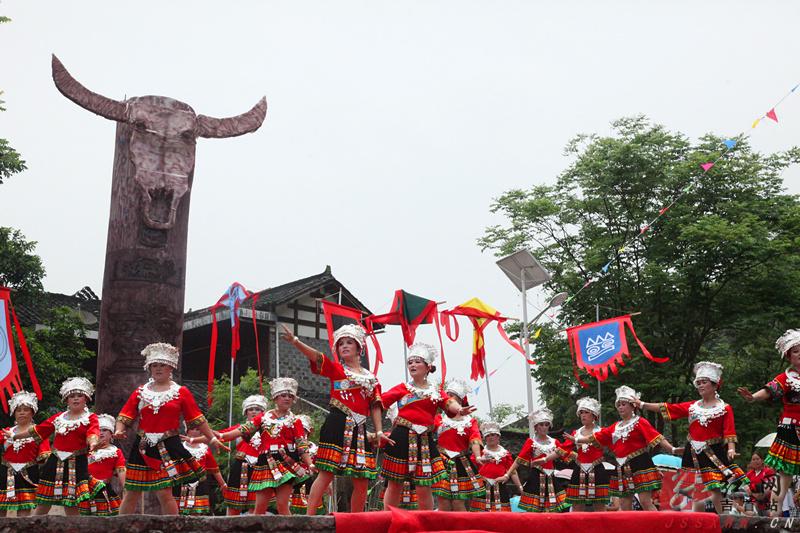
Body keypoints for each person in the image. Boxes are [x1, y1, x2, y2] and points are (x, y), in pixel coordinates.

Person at [282, 323, 385, 513]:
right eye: (340, 344)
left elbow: (375, 405)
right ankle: (309, 519)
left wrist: (379, 431)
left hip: (360, 429)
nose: (344, 346)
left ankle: (356, 522)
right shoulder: (337, 370)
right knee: (327, 473)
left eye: (349, 343)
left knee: (362, 480)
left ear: (359, 348)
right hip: (337, 423)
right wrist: (296, 342)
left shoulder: (371, 379)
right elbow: (317, 357)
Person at [115, 342, 226, 515]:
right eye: (154, 365)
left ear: (170, 368)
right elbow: (125, 416)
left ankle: (172, 527)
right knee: (132, 492)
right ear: (149, 368)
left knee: (165, 492)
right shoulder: (140, 392)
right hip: (143, 446)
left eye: (162, 365)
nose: (158, 369)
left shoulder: (181, 392)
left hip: (169, 446)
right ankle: (118, 528)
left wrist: (212, 438)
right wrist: (119, 430)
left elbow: (197, 419)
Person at [637, 361, 748, 513]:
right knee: (696, 491)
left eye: (704, 382)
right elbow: (668, 408)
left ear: (715, 385)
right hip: (692, 452)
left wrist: (731, 449)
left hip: (713, 451)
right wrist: (643, 404)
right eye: (699, 383)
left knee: (715, 490)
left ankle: (726, 520)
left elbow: (729, 431)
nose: (700, 386)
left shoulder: (724, 408)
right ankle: (697, 523)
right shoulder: (692, 407)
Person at [380, 342, 475, 510]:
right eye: (410, 362)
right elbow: (378, 403)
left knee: (424, 486)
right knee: (395, 483)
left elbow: (448, 402)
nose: (413, 365)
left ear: (428, 366)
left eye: (417, 361)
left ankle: (426, 523)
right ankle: (388, 521)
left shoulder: (436, 391)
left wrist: (460, 409)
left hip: (424, 441)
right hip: (401, 437)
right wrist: (378, 429)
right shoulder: (403, 388)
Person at [566, 385, 678, 511]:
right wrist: (576, 440)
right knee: (624, 503)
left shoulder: (640, 422)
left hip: (640, 462)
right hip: (622, 467)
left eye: (623, 404)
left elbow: (657, 436)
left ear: (633, 405)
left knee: (645, 501)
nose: (620, 407)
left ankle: (658, 529)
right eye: (618, 405)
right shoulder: (615, 427)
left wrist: (672, 449)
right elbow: (595, 437)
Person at [5, 377, 104, 515]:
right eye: (72, 396)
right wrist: (15, 436)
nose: (75, 399)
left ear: (86, 399)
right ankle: (32, 528)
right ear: (66, 400)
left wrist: (93, 442)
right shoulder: (58, 417)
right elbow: (38, 430)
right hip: (54, 462)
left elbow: (93, 432)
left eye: (79, 396)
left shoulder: (90, 417)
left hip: (76, 464)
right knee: (44, 503)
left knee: (71, 503)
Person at [217, 377, 314, 515]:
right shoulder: (263, 417)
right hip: (265, 463)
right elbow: (244, 429)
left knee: (282, 506)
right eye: (283, 395)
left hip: (285, 462)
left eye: (290, 396)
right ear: (275, 398)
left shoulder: (295, 421)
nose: (287, 398)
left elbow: (301, 445)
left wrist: (310, 464)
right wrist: (221, 436)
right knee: (259, 508)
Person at [738, 329, 800, 516]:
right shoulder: (787, 379)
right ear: (789, 357)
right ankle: (774, 517)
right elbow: (770, 391)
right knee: (782, 481)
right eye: (796, 351)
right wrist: (753, 398)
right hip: (791, 430)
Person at [431, 378, 485, 510]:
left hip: (461, 462)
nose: (448, 399)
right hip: (442, 461)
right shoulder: (439, 418)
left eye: (451, 396)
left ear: (460, 400)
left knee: (458, 502)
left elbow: (475, 439)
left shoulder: (470, 421)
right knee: (443, 501)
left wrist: (477, 456)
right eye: (447, 395)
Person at [504, 407, 569, 513]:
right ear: (535, 427)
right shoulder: (531, 442)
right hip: (536, 478)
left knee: (553, 510)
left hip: (551, 478)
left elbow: (566, 454)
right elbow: (519, 460)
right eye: (541, 424)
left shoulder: (555, 442)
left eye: (546, 424)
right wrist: (507, 474)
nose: (544, 427)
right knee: (536, 511)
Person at [0, 391, 50, 516]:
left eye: (26, 409)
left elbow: (45, 455)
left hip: (28, 473)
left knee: (24, 509)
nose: (22, 412)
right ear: (14, 413)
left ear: (32, 412)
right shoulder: (7, 431)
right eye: (18, 410)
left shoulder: (38, 432)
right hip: (6, 472)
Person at [556, 397, 610, 511]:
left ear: (594, 415)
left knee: (600, 507)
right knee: (577, 506)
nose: (583, 415)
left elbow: (597, 441)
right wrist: (573, 455)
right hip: (579, 470)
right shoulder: (576, 433)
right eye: (581, 413)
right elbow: (563, 449)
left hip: (597, 469)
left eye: (586, 412)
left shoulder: (601, 432)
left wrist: (575, 440)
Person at [219, 394, 268, 515]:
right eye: (251, 409)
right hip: (241, 466)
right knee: (234, 504)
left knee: (256, 504)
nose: (254, 412)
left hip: (260, 467)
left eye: (257, 409)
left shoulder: (268, 429)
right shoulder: (239, 428)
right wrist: (198, 437)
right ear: (245, 412)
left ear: (263, 412)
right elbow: (220, 435)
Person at [470, 421, 522, 512]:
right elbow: (472, 469)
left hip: (500, 486)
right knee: (480, 515)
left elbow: (513, 472)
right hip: (483, 487)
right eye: (488, 435)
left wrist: (520, 487)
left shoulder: (505, 454)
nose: (491, 437)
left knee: (502, 515)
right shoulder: (479, 453)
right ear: (485, 438)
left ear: (498, 436)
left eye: (493, 435)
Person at [174, 425, 226, 515]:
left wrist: (223, 484)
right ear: (187, 431)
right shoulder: (180, 448)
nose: (194, 431)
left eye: (197, 429)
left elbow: (214, 469)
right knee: (178, 511)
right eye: (192, 428)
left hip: (200, 484)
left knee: (197, 511)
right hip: (182, 484)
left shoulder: (205, 449)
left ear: (201, 432)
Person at [85, 414, 126, 516]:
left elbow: (121, 471)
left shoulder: (115, 452)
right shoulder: (86, 450)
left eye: (104, 430)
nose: (101, 433)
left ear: (111, 434)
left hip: (105, 490)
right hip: (85, 490)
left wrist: (127, 489)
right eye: (98, 430)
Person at [290, 414, 324, 515]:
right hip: (292, 487)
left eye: (303, 430)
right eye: (297, 430)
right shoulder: (289, 449)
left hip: (311, 488)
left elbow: (322, 470)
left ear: (309, 431)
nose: (300, 433)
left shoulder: (315, 450)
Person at [745, 452, 776, 516]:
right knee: (750, 516)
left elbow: (766, 489)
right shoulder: (749, 474)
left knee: (767, 520)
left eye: (757, 459)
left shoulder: (768, 471)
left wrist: (752, 491)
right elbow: (745, 488)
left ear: (762, 460)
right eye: (753, 459)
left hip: (767, 501)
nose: (756, 461)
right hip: (752, 502)